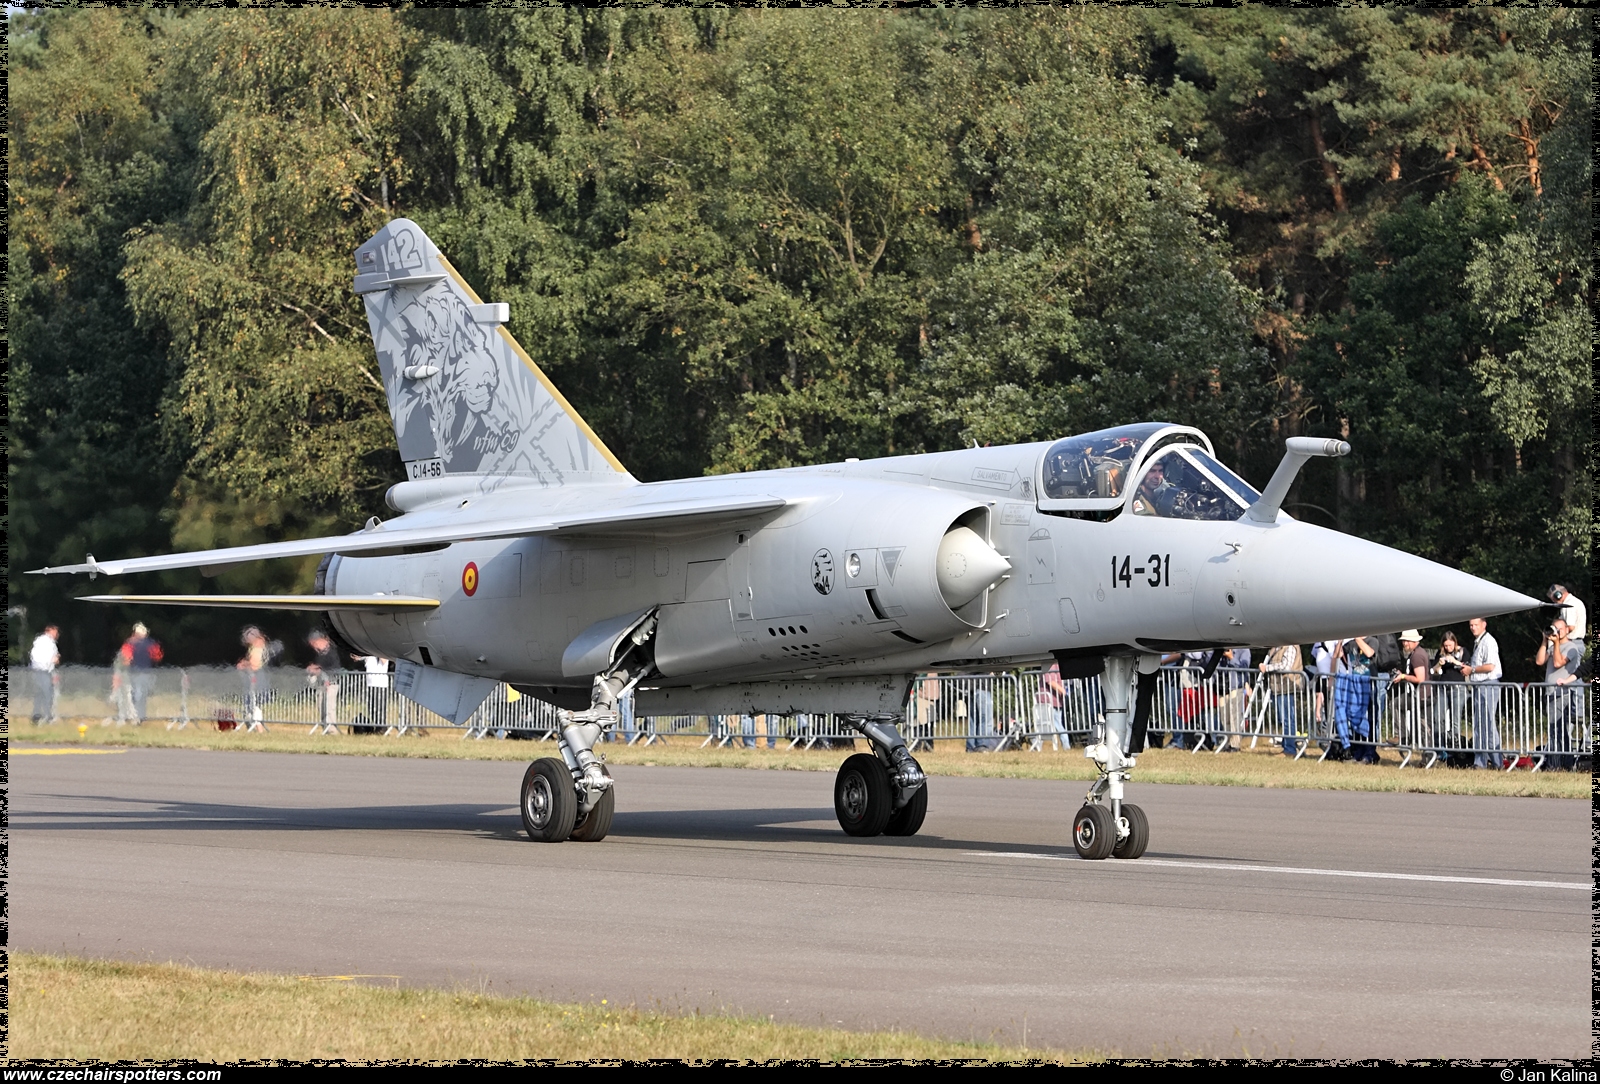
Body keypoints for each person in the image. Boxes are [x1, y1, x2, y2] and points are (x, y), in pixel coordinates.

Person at [1534, 618, 1583, 767]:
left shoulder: (1571, 647)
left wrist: (1555, 644)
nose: (1556, 631)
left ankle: (1554, 765)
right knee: (1558, 731)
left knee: (1557, 731)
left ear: (1567, 630)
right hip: (1550, 692)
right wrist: (1544, 640)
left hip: (1562, 693)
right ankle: (1566, 763)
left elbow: (1558, 662)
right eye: (1554, 628)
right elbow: (1539, 661)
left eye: (1559, 629)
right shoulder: (1551, 646)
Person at [1462, 617, 1503, 769]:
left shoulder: (1488, 642)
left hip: (1488, 684)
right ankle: (1493, 761)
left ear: (1484, 625)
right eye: (1471, 625)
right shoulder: (1479, 641)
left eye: (1476, 625)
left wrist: (1471, 670)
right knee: (1482, 724)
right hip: (1480, 685)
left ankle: (1483, 761)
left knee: (1486, 724)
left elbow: (1490, 666)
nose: (1473, 628)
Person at [1331, 636, 1377, 762]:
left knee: (1370, 720)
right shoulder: (1350, 643)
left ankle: (1370, 753)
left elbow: (1369, 653)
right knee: (1355, 717)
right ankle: (1358, 751)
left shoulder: (1373, 640)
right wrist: (1340, 641)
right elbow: (1337, 656)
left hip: (1369, 684)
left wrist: (1357, 637)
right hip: (1354, 684)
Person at [1388, 630, 1431, 752]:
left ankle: (1401, 735)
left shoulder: (1416, 656)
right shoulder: (1417, 653)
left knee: (1395, 704)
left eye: (1407, 641)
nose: (1404, 643)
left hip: (1421, 695)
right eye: (1403, 641)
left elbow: (1420, 678)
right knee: (1422, 726)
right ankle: (1425, 754)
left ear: (1414, 641)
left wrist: (1403, 677)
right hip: (1423, 695)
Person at [1259, 643, 1303, 757]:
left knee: (1288, 720)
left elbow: (1286, 666)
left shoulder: (1290, 646)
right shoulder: (1276, 647)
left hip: (1286, 688)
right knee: (1283, 720)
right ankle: (1288, 746)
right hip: (1278, 688)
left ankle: (1290, 750)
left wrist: (1267, 668)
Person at [1429, 630, 1468, 759]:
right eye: (1446, 646)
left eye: (1450, 645)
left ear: (1455, 642)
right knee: (1437, 718)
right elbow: (1433, 671)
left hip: (1458, 688)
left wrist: (1454, 661)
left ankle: (1455, 750)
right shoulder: (1440, 654)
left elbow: (1467, 668)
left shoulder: (1463, 652)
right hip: (1442, 687)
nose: (1448, 648)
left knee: (1455, 720)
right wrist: (1439, 664)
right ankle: (1439, 748)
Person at [119, 623, 163, 725]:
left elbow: (126, 659)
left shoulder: (130, 643)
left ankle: (135, 717)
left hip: (135, 672)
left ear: (135, 633)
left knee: (136, 694)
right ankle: (141, 716)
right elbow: (158, 656)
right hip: (147, 672)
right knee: (143, 695)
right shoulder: (151, 643)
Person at [306, 630, 343, 733]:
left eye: (314, 643)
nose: (314, 647)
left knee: (329, 708)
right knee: (321, 706)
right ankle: (325, 728)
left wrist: (314, 669)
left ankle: (332, 730)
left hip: (330, 684)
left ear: (319, 640)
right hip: (322, 685)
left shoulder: (330, 652)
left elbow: (326, 668)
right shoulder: (320, 654)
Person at [237, 626, 270, 729]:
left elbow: (255, 664)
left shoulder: (257, 648)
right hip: (257, 677)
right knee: (253, 704)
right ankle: (256, 726)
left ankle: (258, 727)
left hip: (257, 678)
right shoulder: (258, 647)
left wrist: (243, 664)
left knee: (253, 703)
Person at [1033, 662, 1069, 750]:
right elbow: (1050, 681)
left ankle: (1036, 745)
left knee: (1045, 725)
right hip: (1049, 701)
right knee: (1055, 724)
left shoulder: (1055, 664)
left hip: (1055, 701)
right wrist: (1063, 691)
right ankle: (1066, 745)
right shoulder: (1050, 664)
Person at [30, 625, 61, 725]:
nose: (56, 635)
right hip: (43, 670)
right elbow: (41, 657)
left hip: (42, 670)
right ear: (49, 631)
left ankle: (37, 715)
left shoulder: (44, 642)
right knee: (47, 693)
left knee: (40, 693)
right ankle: (47, 716)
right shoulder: (45, 642)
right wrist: (52, 661)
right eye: (55, 632)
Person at [354, 652, 391, 732]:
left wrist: (375, 651)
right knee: (371, 708)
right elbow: (358, 657)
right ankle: (376, 725)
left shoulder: (383, 654)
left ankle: (382, 728)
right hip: (370, 684)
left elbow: (384, 660)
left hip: (381, 685)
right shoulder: (368, 656)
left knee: (380, 708)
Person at [1547, 584, 1587, 654]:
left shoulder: (1568, 605)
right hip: (1575, 643)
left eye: (1554, 600)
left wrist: (1555, 634)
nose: (1555, 602)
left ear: (1558, 595)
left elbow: (1570, 627)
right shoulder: (1575, 601)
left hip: (1571, 643)